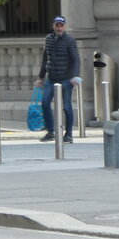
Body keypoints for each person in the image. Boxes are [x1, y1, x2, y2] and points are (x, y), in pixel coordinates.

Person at [34, 15, 81, 143]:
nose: (59, 28)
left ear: (64, 26)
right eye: (57, 25)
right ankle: (50, 132)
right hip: (51, 78)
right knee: (45, 103)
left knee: (66, 106)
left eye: (61, 25)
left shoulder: (70, 40)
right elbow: (45, 59)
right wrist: (40, 77)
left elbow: (76, 59)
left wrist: (76, 75)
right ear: (53, 26)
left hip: (66, 78)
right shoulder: (48, 39)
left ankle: (69, 134)